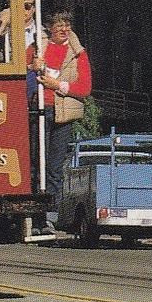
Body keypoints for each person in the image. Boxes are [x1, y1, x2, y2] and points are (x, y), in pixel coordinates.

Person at [36, 11, 92, 226]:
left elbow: (85, 88)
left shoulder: (78, 53)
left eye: (67, 25)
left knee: (55, 165)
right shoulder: (39, 47)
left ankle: (50, 213)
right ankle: (34, 214)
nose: (64, 29)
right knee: (36, 163)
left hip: (63, 114)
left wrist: (58, 86)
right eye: (59, 25)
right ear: (50, 28)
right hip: (39, 110)